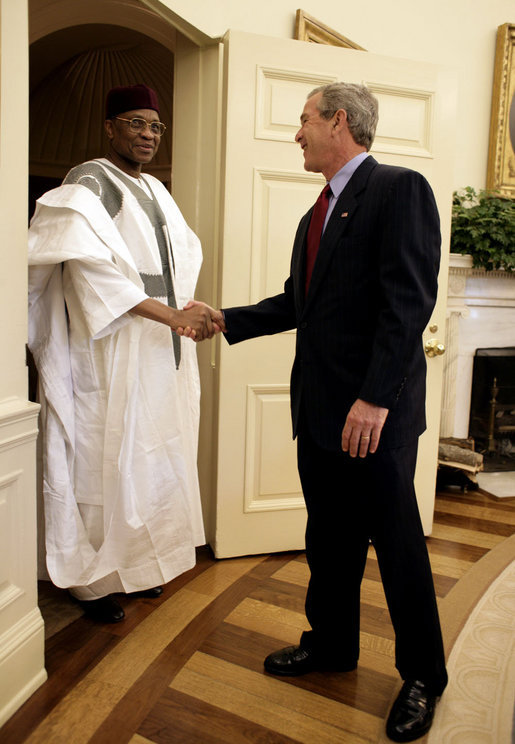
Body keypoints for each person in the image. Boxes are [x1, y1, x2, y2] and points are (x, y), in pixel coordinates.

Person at [187, 83, 448, 742]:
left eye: (303, 121)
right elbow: (299, 303)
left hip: (374, 416)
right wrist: (225, 320)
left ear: (337, 122)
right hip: (321, 411)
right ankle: (330, 645)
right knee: (328, 540)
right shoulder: (315, 216)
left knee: (395, 547)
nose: (296, 133)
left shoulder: (398, 189)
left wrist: (374, 398)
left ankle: (423, 676)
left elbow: (407, 303)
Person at [28, 84, 215, 624]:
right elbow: (95, 273)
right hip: (107, 350)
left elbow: (175, 260)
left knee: (151, 456)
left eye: (155, 127)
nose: (147, 135)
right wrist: (173, 316)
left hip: (158, 347)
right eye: (135, 123)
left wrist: (184, 304)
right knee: (101, 457)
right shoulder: (90, 181)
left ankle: (135, 566)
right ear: (110, 127)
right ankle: (89, 582)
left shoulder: (154, 188)